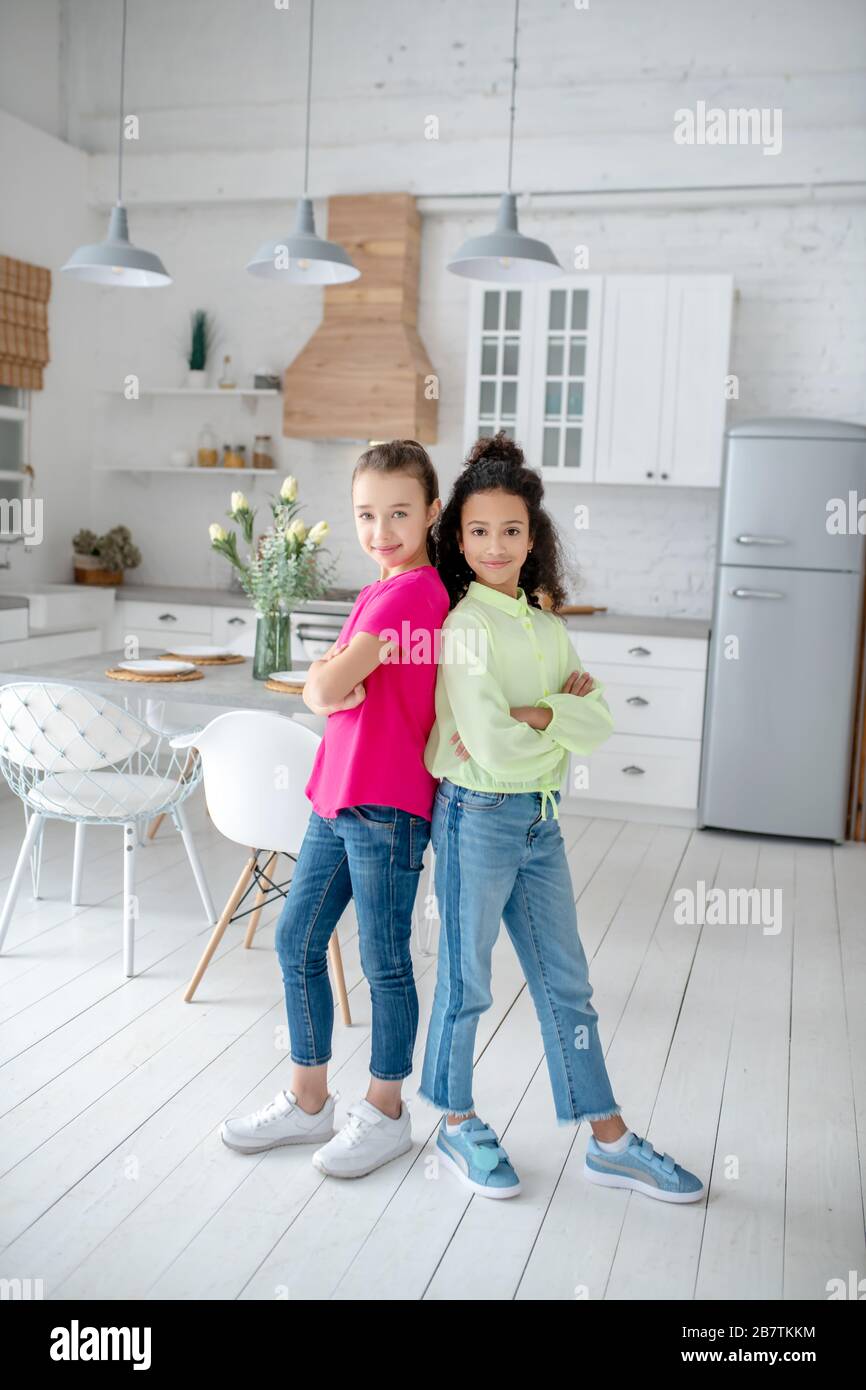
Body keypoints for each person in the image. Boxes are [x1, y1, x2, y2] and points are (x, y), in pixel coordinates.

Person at [419, 431, 705, 1204]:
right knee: (466, 980)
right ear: (457, 538)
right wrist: (557, 718)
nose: (495, 544)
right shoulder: (464, 628)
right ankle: (454, 1120)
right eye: (478, 530)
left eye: (511, 529)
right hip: (475, 815)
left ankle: (607, 1137)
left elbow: (599, 722)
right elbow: (491, 745)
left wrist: (538, 714)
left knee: (567, 987)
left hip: (540, 823)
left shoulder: (547, 627)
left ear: (533, 536)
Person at [221, 440, 450, 1178]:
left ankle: (386, 1111)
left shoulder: (415, 592)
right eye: (365, 514)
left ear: (432, 513)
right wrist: (333, 677)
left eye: (399, 513)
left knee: (384, 962)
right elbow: (330, 686)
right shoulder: (380, 589)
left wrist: (331, 677)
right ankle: (309, 1098)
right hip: (337, 795)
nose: (380, 529)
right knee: (297, 942)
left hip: (386, 805)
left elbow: (322, 693)